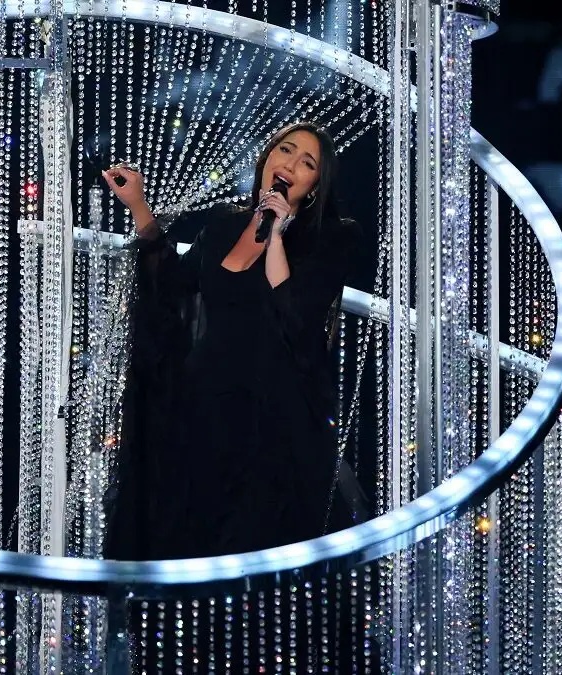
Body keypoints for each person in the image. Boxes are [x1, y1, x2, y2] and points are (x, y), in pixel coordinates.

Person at [101, 121, 368, 564]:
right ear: (267, 158)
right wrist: (138, 205)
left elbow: (295, 316)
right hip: (202, 404)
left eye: (307, 163)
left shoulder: (333, 236)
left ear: (315, 185)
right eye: (285, 150)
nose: (290, 165)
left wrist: (276, 235)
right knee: (188, 533)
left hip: (271, 417)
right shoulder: (225, 224)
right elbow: (173, 282)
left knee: (253, 544)